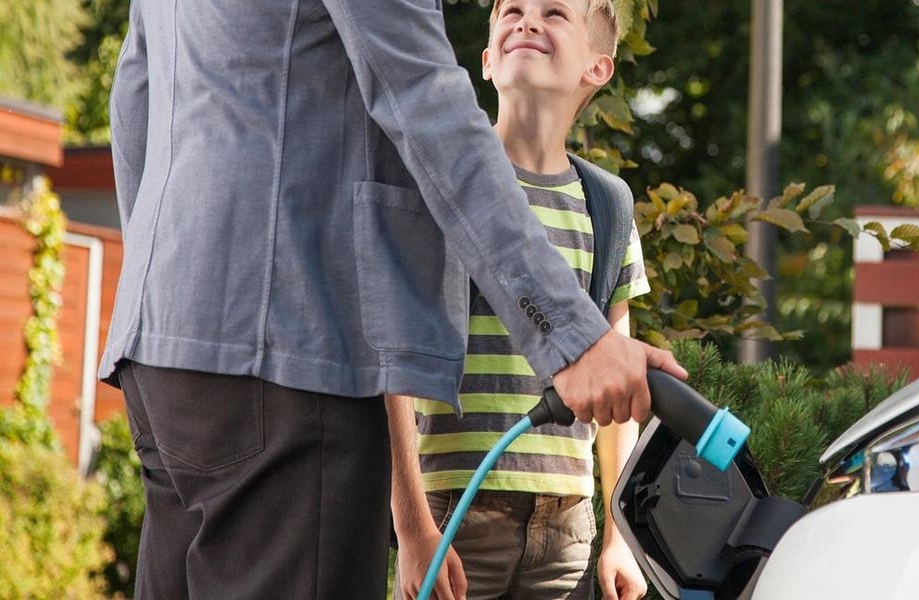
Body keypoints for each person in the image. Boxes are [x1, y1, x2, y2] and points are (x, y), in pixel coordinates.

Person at [105, 1, 683, 598]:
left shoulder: (603, 203)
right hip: (289, 351)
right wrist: (573, 338)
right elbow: (423, 100)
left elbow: (135, 97)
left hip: (164, 347)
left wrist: (167, 286)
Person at [392, 2, 650, 598]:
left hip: (566, 526)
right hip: (452, 511)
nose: (527, 22)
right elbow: (393, 368)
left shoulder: (608, 206)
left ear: (597, 68)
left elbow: (619, 390)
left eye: (554, 12)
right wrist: (412, 526)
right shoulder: (441, 186)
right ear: (486, 61)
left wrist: (620, 535)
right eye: (511, 10)